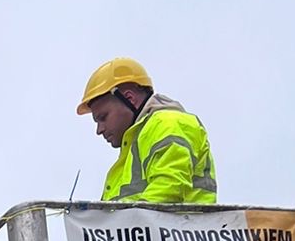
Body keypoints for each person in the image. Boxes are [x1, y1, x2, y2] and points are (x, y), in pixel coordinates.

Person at [76, 58, 217, 205]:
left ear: (129, 99)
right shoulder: (135, 145)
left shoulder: (167, 123)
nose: (99, 130)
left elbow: (170, 185)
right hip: (153, 227)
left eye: (103, 117)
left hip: (178, 226)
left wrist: (131, 224)